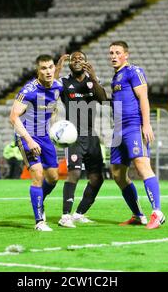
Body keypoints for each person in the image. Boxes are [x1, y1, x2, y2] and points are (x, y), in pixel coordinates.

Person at [109, 41, 165, 230]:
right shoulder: (116, 77)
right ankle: (137, 215)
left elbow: (143, 97)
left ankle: (157, 213)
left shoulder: (134, 71)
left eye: (117, 52)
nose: (113, 56)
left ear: (126, 54)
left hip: (133, 126)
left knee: (142, 166)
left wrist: (146, 124)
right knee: (117, 174)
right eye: (111, 53)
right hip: (117, 129)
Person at [53, 51, 107, 228]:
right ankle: (65, 215)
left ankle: (79, 213)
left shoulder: (92, 81)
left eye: (80, 59)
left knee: (97, 178)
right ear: (70, 64)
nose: (76, 61)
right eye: (73, 59)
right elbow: (51, 87)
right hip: (73, 134)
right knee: (74, 173)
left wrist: (93, 77)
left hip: (91, 134)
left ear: (86, 62)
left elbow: (103, 98)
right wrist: (58, 66)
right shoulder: (64, 82)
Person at [9, 54, 63, 231]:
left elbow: (52, 106)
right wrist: (29, 140)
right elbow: (13, 117)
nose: (47, 71)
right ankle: (39, 221)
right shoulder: (29, 90)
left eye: (50, 67)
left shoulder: (57, 86)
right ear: (37, 71)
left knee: (53, 178)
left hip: (45, 136)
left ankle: (39, 200)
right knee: (37, 174)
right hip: (26, 135)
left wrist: (54, 128)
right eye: (43, 68)